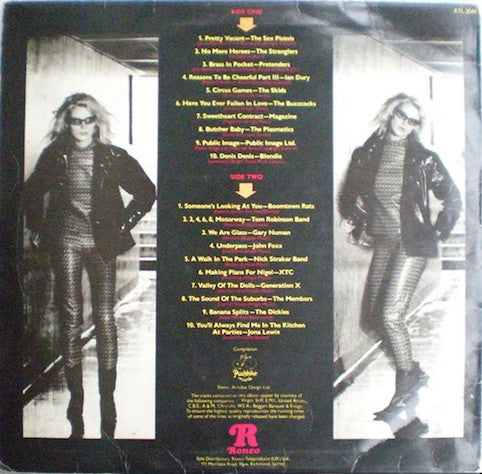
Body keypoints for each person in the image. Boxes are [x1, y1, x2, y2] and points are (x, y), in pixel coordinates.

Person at [23, 93, 156, 439]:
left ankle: (107, 396)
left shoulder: (113, 157)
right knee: (69, 312)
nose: (82, 127)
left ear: (97, 123)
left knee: (104, 314)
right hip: (65, 240)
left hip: (102, 244)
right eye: (75, 121)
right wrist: (37, 228)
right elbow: (31, 191)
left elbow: (146, 191)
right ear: (66, 124)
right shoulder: (55, 156)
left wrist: (123, 224)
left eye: (88, 120)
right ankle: (76, 398)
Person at [338, 93, 461, 412]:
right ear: (390, 113)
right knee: (373, 317)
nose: (406, 124)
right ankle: (413, 370)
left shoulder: (424, 159)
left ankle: (406, 382)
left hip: (413, 241)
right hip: (385, 241)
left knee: (391, 314)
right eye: (402, 116)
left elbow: (453, 198)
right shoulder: (366, 154)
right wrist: (352, 219)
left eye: (413, 121)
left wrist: (439, 231)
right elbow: (350, 194)